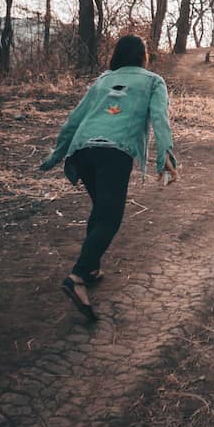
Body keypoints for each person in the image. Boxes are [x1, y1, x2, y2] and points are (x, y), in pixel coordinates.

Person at [39, 35, 178, 322]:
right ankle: (78, 276)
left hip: (82, 151)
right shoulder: (153, 81)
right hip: (114, 152)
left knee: (102, 209)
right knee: (110, 218)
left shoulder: (103, 80)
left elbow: (73, 120)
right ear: (143, 56)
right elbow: (160, 118)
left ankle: (91, 269)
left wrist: (56, 156)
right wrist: (165, 156)